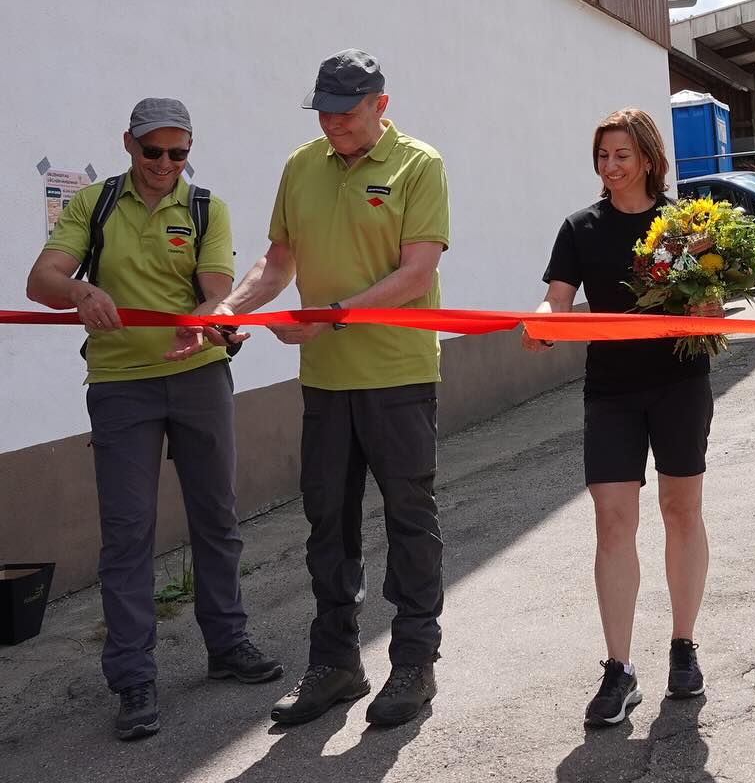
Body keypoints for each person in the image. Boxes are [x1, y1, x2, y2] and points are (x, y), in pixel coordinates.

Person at [26, 98, 281, 740]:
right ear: (128, 145)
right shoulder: (95, 205)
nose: (166, 164)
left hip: (197, 378)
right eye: (153, 152)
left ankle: (227, 645)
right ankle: (134, 679)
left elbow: (217, 290)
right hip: (120, 387)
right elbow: (42, 278)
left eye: (178, 152)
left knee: (216, 518)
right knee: (128, 532)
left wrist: (208, 324)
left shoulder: (203, 208)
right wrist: (80, 290)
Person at [214, 50, 450, 726]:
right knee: (327, 525)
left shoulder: (419, 165)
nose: (331, 124)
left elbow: (416, 272)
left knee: (410, 522)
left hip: (398, 376)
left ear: (380, 104)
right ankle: (336, 663)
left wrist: (332, 316)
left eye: (344, 113)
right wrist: (234, 307)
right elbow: (279, 260)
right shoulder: (300, 165)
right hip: (324, 381)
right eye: (322, 110)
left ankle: (413, 663)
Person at [522, 108, 718, 728]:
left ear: (648, 159)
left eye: (622, 156)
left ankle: (683, 647)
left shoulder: (684, 226)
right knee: (613, 521)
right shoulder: (580, 227)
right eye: (603, 157)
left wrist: (705, 301)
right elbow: (556, 298)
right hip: (610, 391)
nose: (611, 167)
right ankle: (619, 668)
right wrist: (543, 322)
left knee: (681, 511)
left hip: (680, 384)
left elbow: (712, 304)